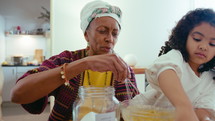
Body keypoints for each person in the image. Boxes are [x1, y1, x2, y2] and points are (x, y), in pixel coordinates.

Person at [10, 0, 139, 121]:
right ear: (86, 35)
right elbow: (18, 94)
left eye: (115, 33)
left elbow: (134, 110)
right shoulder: (66, 59)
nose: (110, 39)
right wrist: (85, 63)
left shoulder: (123, 69)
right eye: (102, 31)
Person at [144, 8, 215, 121]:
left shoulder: (210, 78)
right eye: (197, 39)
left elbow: (203, 111)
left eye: (212, 44)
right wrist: (183, 107)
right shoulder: (176, 57)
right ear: (184, 37)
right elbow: (166, 71)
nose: (203, 47)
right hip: (142, 115)